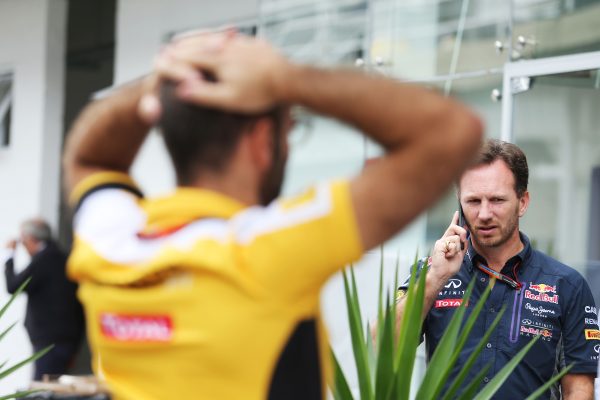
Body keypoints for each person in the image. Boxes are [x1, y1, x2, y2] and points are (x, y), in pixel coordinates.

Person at [62, 31, 482, 399]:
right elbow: (451, 133)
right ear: (262, 139)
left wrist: (172, 78)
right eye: (289, 129)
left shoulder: (111, 240)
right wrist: (287, 79)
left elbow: (88, 156)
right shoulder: (266, 248)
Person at [395, 139, 597, 399]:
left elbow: (579, 389)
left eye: (497, 200)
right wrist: (436, 277)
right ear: (460, 202)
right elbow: (380, 345)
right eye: (473, 201)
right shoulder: (432, 272)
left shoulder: (566, 285)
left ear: (522, 202)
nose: (484, 213)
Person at [4, 218, 84, 380]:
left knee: (43, 389)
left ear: (31, 238)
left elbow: (14, 286)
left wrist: (9, 256)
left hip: (48, 342)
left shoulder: (44, 259)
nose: (24, 246)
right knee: (55, 388)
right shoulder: (64, 257)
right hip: (67, 340)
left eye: (23, 241)